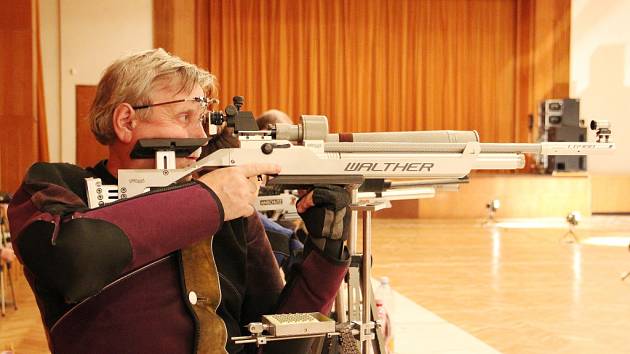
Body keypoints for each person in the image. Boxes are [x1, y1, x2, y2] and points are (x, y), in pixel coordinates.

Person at [8, 49, 350, 354]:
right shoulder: (59, 186)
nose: (201, 137)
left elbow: (278, 340)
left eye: (202, 120)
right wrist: (211, 199)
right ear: (127, 121)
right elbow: (73, 260)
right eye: (185, 117)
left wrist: (326, 253)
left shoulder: (230, 211)